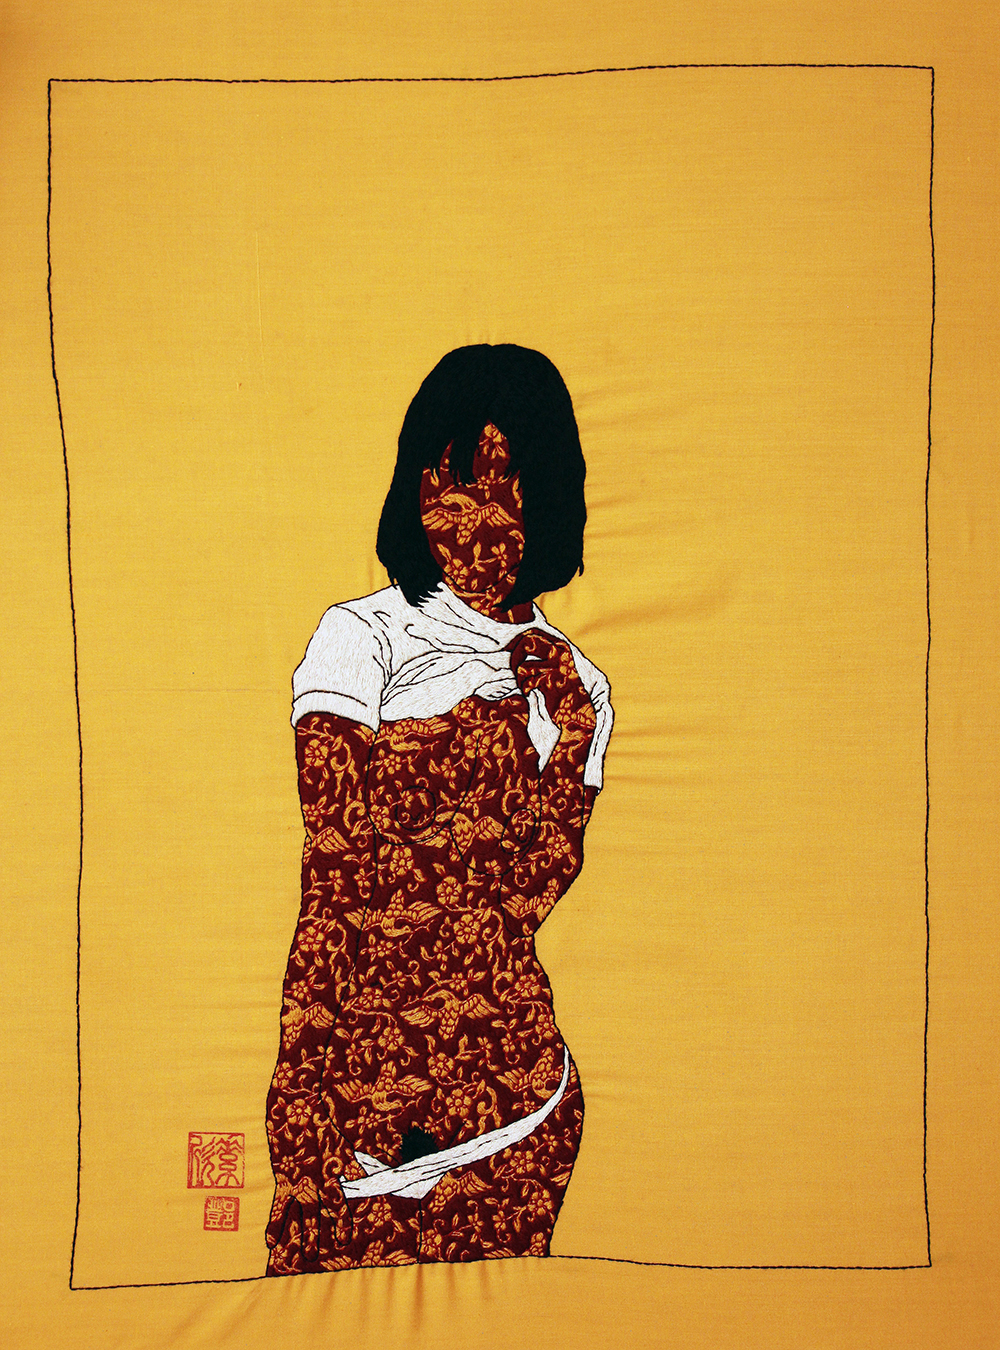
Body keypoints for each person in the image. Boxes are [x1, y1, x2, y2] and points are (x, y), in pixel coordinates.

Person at [265, 344, 613, 1273]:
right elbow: (334, 882)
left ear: (549, 503)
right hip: (362, 1121)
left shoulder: (578, 685)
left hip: (521, 1111)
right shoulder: (360, 638)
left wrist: (571, 732)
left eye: (506, 493)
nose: (475, 525)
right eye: (451, 490)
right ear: (414, 495)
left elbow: (525, 902)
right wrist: (300, 1108)